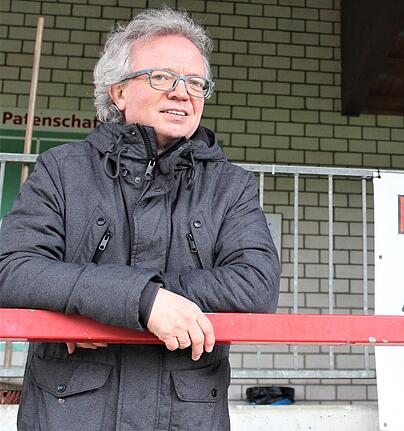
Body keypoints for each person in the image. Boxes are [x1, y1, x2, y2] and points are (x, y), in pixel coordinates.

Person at [0, 8, 280, 430]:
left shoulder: (230, 186)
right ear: (118, 93)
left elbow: (255, 286)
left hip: (186, 415)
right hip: (69, 413)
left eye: (195, 83)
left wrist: (105, 302)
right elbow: (13, 270)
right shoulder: (62, 171)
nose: (182, 93)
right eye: (162, 77)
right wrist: (143, 302)